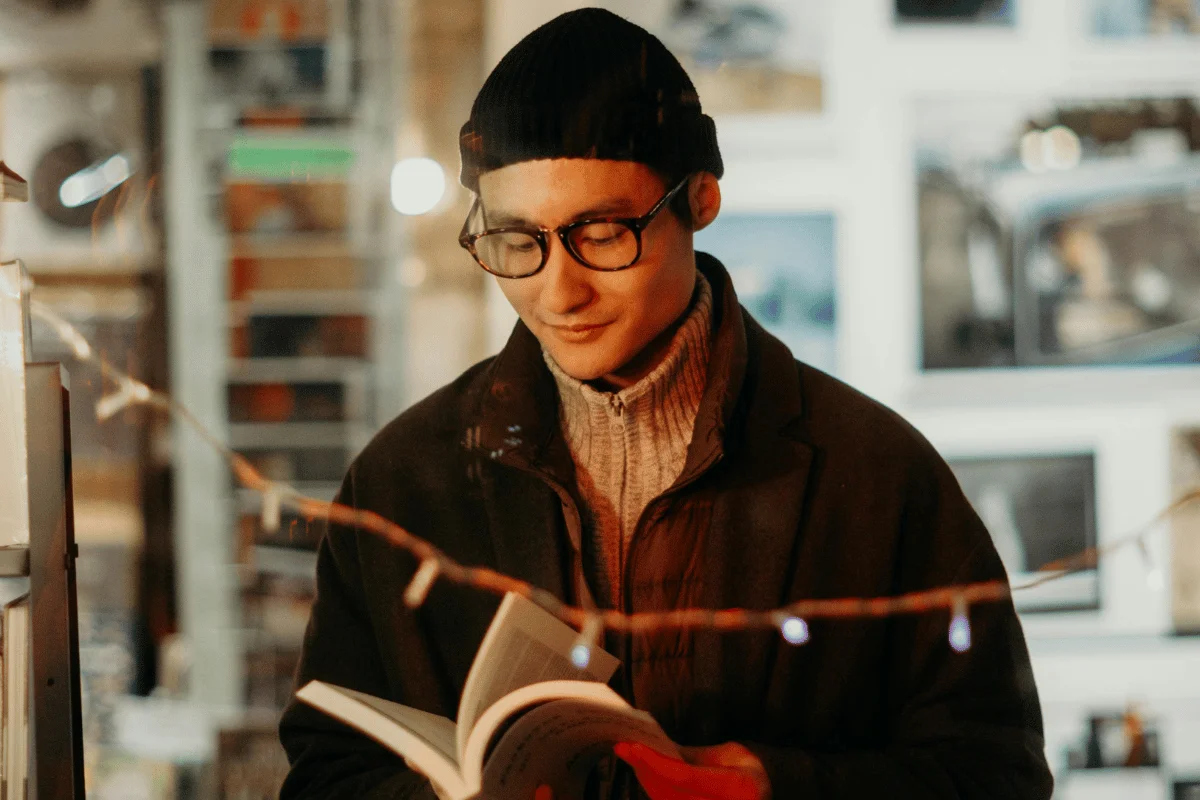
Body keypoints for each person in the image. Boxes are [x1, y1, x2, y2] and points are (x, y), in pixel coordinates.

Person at [278, 8, 1054, 799]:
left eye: (602, 234)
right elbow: (323, 776)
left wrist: (772, 788)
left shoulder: (875, 473)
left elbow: (1000, 776)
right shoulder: (408, 478)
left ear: (701, 198)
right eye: (517, 242)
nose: (558, 290)